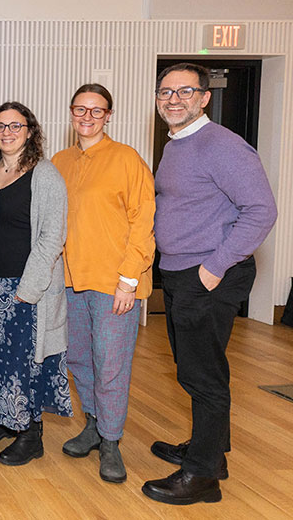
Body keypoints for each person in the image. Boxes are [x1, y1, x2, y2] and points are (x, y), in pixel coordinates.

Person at [142, 63, 277, 505]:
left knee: (204, 375)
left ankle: (202, 477)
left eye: (184, 91)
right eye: (166, 91)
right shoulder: (178, 143)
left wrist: (213, 268)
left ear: (204, 97)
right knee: (193, 368)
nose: (173, 99)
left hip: (210, 274)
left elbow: (261, 210)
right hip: (183, 271)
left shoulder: (223, 146)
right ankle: (208, 450)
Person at [52, 83, 155, 484]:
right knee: (79, 359)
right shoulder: (60, 160)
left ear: (108, 115)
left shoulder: (127, 160)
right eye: (81, 109)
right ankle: (94, 425)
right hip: (69, 281)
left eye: (97, 111)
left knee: (110, 364)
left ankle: (111, 441)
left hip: (115, 284)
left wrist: (129, 281)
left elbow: (143, 222)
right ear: (72, 113)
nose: (88, 117)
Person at [0, 102, 72, 466]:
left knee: (24, 362)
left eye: (15, 126)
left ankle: (30, 433)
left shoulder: (45, 175)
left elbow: (52, 237)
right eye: (0, 126)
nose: (7, 132)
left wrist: (28, 289)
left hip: (27, 287)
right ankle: (1, 418)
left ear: (30, 130)